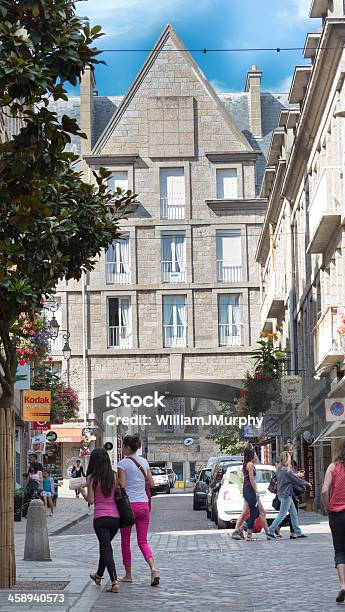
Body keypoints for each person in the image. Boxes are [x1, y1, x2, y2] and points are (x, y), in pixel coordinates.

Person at [118, 434, 159, 586]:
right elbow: (152, 483)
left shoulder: (123, 464)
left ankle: (128, 575)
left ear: (128, 448)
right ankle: (153, 568)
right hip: (143, 505)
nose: (122, 449)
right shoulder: (144, 461)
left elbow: (122, 485)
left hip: (129, 506)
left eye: (123, 446)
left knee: (125, 541)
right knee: (143, 541)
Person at [80, 448, 120, 593]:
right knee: (105, 546)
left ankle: (115, 581)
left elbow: (91, 500)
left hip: (100, 519)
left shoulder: (92, 478)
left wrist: (83, 491)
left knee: (106, 548)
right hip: (115, 519)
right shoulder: (114, 476)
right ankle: (98, 575)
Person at [322, 439, 345, 604]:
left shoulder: (333, 467)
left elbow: (324, 490)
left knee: (340, 550)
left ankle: (343, 584)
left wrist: (326, 508)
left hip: (336, 514)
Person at [267, 451, 310, 540]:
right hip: (286, 495)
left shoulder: (279, 470)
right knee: (282, 514)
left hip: (282, 494)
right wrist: (307, 483)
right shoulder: (287, 471)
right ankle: (270, 531)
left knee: (293, 513)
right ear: (287, 459)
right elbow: (296, 480)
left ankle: (298, 532)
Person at [241, 443, 269, 541]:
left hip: (249, 490)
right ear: (251, 455)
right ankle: (248, 534)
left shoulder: (250, 464)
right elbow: (251, 479)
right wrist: (256, 491)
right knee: (255, 511)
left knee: (260, 511)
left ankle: (242, 527)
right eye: (255, 454)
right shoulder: (249, 464)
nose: (257, 456)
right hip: (249, 490)